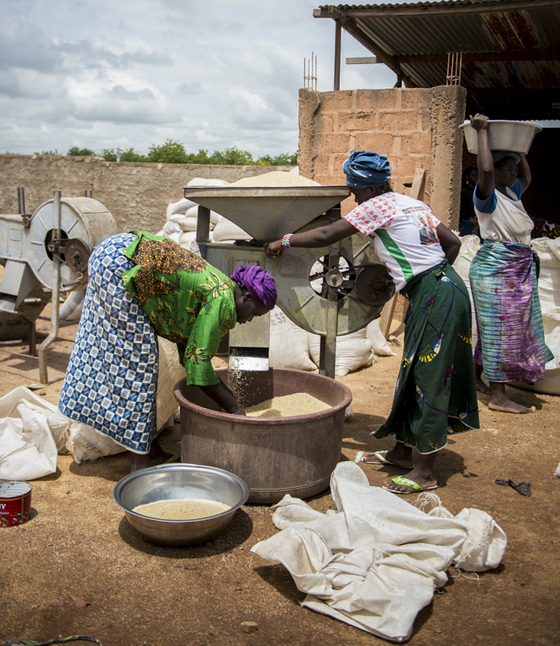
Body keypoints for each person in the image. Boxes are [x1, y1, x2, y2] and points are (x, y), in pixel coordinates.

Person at [265, 151, 479, 495]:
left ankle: (425, 473)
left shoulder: (376, 206)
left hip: (436, 296)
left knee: (430, 376)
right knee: (412, 369)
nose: (353, 197)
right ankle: (402, 451)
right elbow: (451, 243)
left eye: (355, 190)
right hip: (446, 287)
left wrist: (284, 241)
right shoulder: (411, 204)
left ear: (369, 188)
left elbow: (325, 237)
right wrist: (430, 279)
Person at [58, 230, 277, 470]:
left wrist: (224, 398)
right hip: (119, 265)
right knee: (138, 363)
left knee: (132, 357)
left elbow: (193, 350)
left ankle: (148, 449)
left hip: (114, 251)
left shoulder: (222, 286)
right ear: (245, 297)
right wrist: (234, 408)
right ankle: (142, 459)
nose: (250, 320)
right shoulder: (223, 302)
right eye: (255, 313)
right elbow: (199, 363)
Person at [468, 114, 553, 413]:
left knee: (494, 327)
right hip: (496, 268)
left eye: (513, 168)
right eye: (507, 169)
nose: (513, 173)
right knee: (499, 330)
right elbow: (486, 168)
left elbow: (527, 178)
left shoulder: (512, 193)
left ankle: (476, 377)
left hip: (514, 268)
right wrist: (482, 133)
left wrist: (520, 152)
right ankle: (498, 396)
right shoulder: (487, 197)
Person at [459, 165, 478, 236]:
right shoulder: (463, 191)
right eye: (474, 175)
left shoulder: (479, 191)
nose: (477, 177)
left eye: (478, 175)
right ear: (467, 177)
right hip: (466, 222)